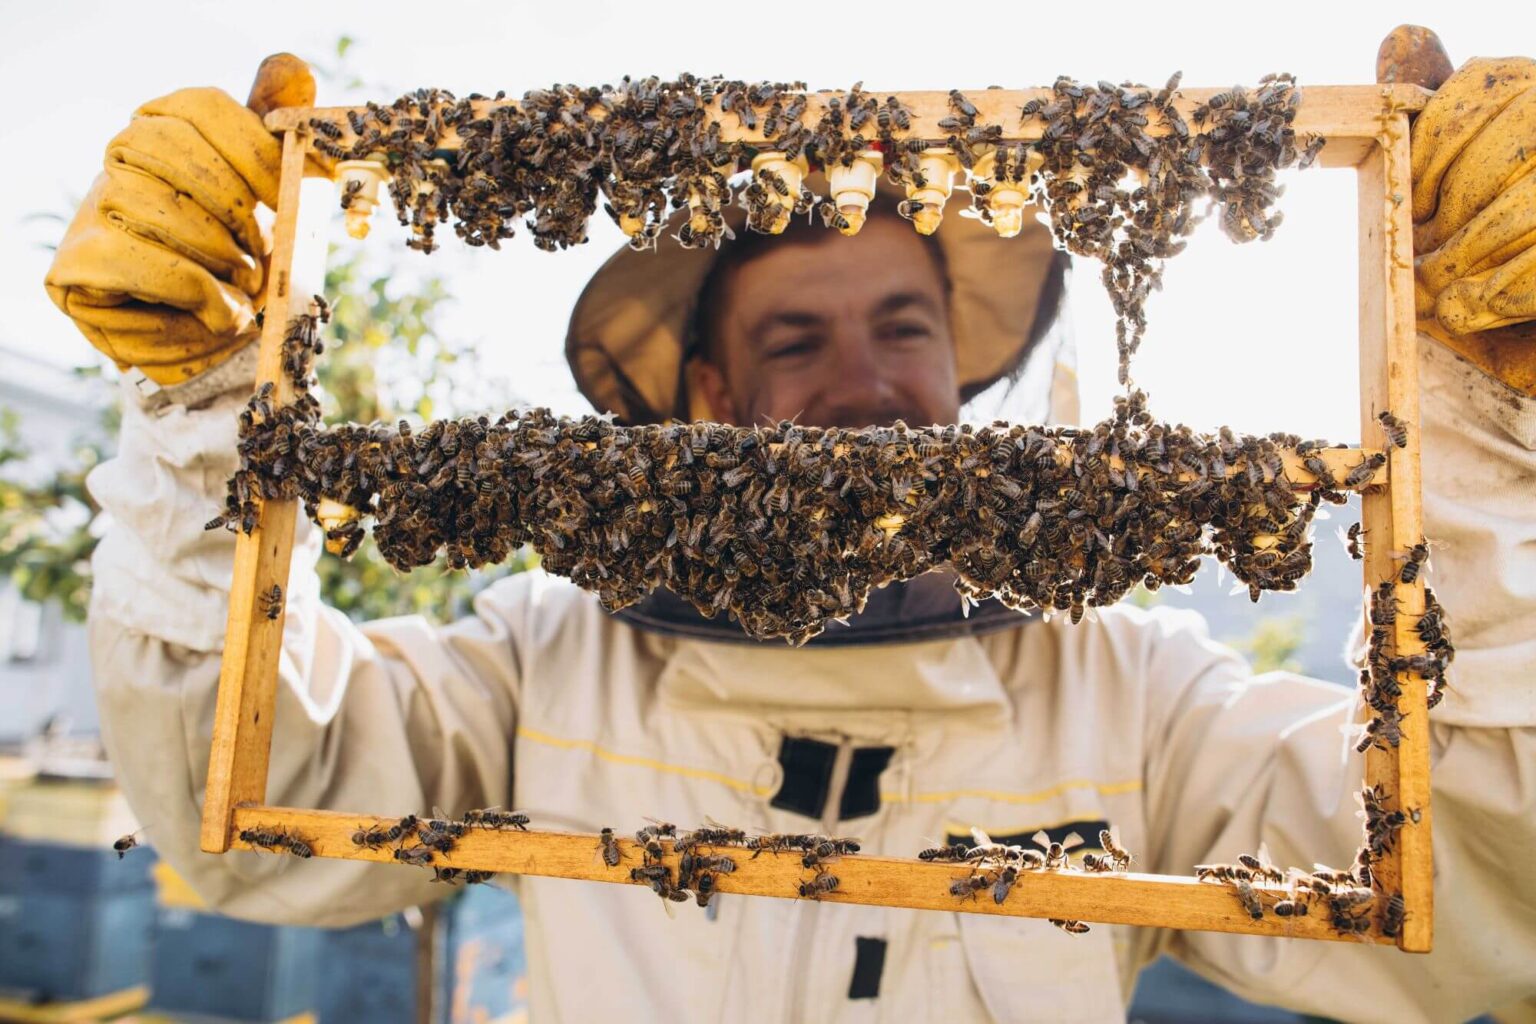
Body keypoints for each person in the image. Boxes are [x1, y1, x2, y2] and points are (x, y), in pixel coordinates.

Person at [43, 32, 1536, 1023]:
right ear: (705, 392)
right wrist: (204, 410)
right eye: (795, 341)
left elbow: (1478, 894)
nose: (866, 388)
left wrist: (1475, 410)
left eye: (904, 328)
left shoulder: (1129, 693)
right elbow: (242, 807)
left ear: (962, 367)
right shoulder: (542, 663)